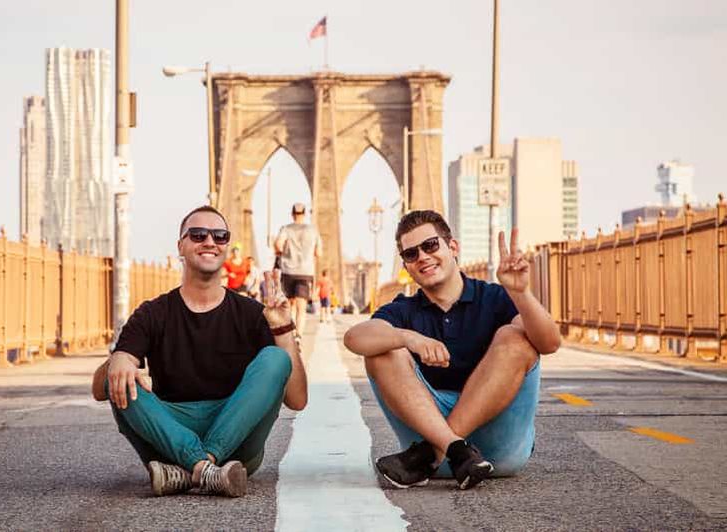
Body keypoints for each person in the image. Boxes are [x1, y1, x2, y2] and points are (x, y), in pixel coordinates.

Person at [91, 205, 307, 498]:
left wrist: (282, 330)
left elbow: (297, 400)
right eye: (197, 234)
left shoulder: (253, 314)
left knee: (275, 358)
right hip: (172, 433)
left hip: (236, 442)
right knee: (115, 376)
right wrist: (118, 360)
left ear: (227, 247)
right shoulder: (153, 313)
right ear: (180, 245)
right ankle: (206, 471)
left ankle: (192, 468)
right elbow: (100, 389)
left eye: (219, 236)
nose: (209, 241)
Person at [343, 210, 560, 490]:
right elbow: (354, 338)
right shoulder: (403, 310)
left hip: (484, 452)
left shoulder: (493, 298)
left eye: (430, 245)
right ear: (407, 266)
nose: (422, 256)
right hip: (443, 451)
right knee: (385, 346)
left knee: (516, 337)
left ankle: (435, 452)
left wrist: (520, 293)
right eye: (411, 254)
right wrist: (408, 338)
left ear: (453, 247)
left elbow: (549, 343)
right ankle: (456, 450)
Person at [275, 202, 322, 338]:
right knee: (302, 306)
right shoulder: (313, 230)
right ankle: (299, 335)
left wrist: (284, 252)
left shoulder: (286, 229)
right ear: (305, 214)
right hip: (305, 272)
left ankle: (290, 332)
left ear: (292, 214)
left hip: (288, 271)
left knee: (290, 305)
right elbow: (318, 253)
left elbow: (278, 245)